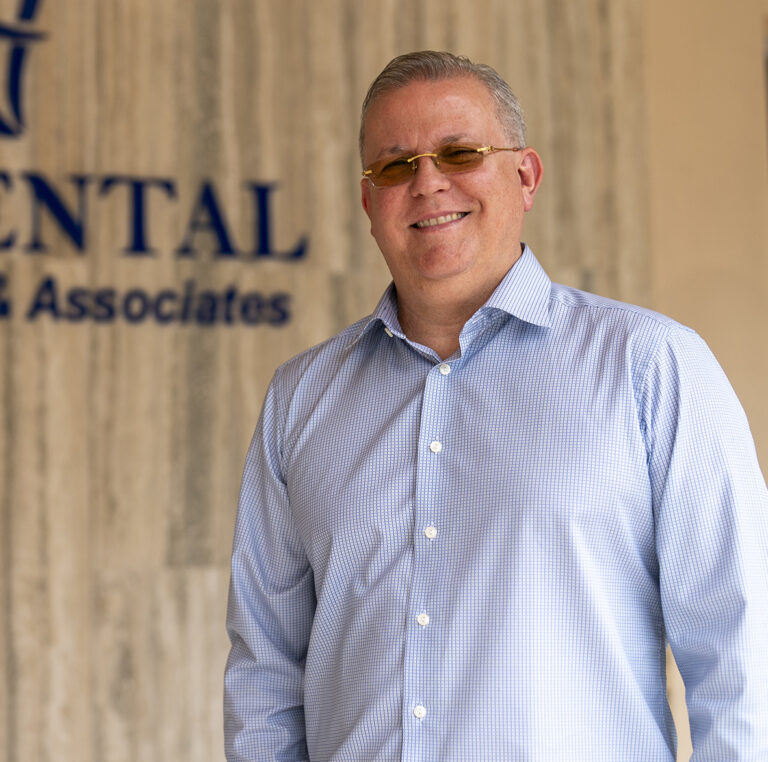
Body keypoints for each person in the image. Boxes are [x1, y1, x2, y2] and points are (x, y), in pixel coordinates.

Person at [224, 51, 768, 761]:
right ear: (368, 203)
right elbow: (265, 671)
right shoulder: (301, 400)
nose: (427, 182)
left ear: (526, 175)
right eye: (395, 166)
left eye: (460, 152)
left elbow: (742, 649)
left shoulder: (651, 367)